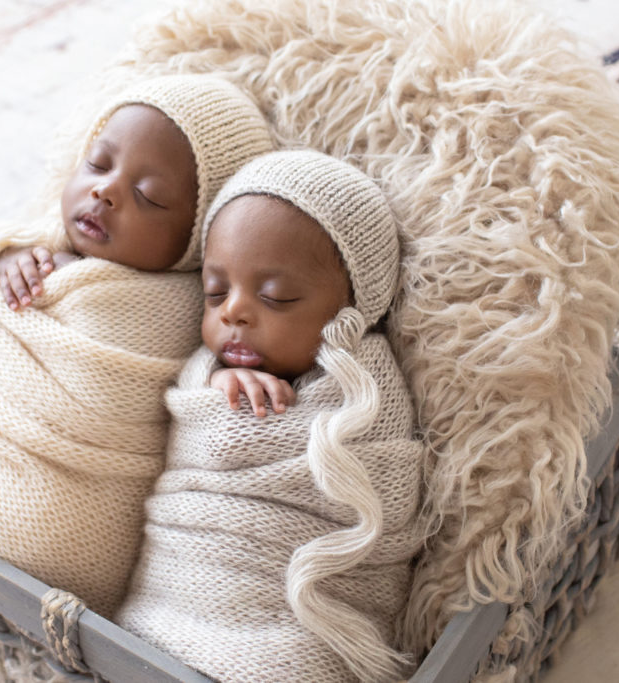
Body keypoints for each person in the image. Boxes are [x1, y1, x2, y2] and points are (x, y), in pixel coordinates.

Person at [0, 74, 275, 620]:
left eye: (149, 197)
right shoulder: (39, 254)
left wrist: (223, 378)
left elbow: (202, 390)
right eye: (99, 165)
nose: (106, 191)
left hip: (79, 554)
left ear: (198, 240)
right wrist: (4, 260)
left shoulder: (190, 311)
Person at [116, 150, 425, 682]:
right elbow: (200, 428)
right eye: (216, 291)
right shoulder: (207, 370)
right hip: (172, 599)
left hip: (293, 621)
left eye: (276, 296)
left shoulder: (367, 386)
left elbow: (387, 501)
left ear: (351, 310)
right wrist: (216, 386)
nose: (233, 310)